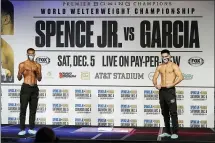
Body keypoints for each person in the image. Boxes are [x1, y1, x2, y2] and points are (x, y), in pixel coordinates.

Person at [152, 49, 183, 139]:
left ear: (169, 56)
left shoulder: (174, 66)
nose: (165, 58)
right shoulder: (160, 66)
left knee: (173, 112)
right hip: (162, 91)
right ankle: (168, 132)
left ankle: (175, 132)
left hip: (170, 91)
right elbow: (154, 77)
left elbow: (181, 77)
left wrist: (172, 84)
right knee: (164, 112)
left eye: (166, 56)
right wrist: (155, 84)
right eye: (163, 57)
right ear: (161, 57)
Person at [17, 48, 42, 136]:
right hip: (26, 87)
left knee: (33, 110)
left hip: (34, 88)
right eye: (29, 54)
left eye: (33, 54)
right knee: (23, 108)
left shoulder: (38, 65)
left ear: (34, 54)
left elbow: (39, 79)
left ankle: (31, 128)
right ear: (27, 54)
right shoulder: (22, 64)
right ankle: (22, 129)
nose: (31, 55)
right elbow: (19, 78)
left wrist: (38, 73)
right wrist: (20, 72)